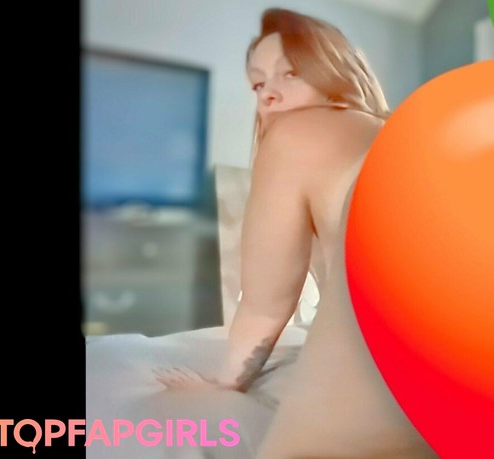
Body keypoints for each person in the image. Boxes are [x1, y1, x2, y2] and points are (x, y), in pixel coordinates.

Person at [153, 8, 385, 394]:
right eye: (258, 84)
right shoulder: (393, 128)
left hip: (387, 372)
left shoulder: (295, 135)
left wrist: (223, 385)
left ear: (332, 70)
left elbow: (266, 307)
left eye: (290, 73)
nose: (268, 94)